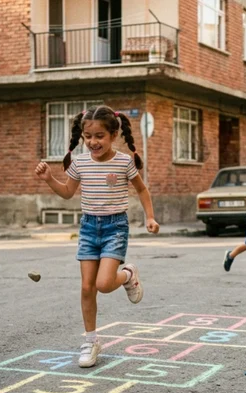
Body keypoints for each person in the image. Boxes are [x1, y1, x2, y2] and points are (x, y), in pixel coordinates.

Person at [34, 105, 159, 369]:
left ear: (114, 134)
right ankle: (91, 341)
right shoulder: (79, 162)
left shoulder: (124, 161)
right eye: (88, 136)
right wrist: (48, 179)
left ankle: (128, 275)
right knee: (87, 287)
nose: (92, 142)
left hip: (115, 226)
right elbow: (68, 192)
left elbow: (143, 191)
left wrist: (149, 217)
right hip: (89, 227)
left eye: (99, 136)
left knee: (104, 284)